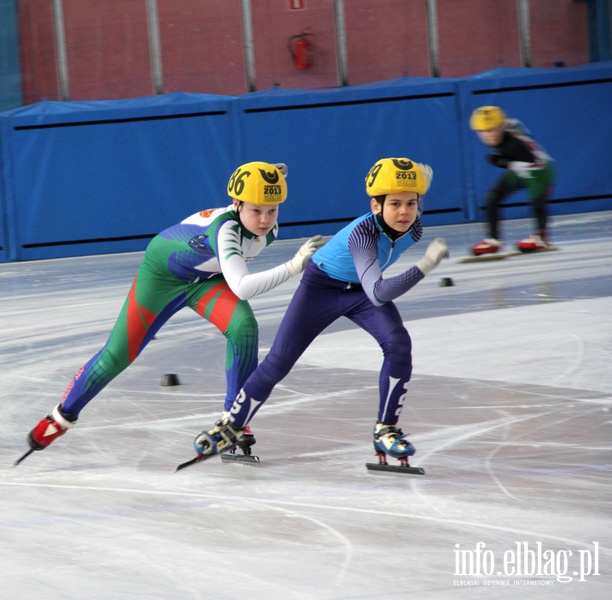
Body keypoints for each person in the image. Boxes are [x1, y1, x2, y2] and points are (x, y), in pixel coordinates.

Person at [21, 161, 324, 461]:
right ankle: (59, 419)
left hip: (206, 279)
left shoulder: (267, 228)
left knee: (244, 326)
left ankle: (235, 420)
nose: (264, 220)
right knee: (117, 355)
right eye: (256, 210)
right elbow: (243, 286)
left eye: (272, 210)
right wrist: (293, 266)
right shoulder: (226, 231)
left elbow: (236, 276)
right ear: (236, 204)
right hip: (162, 275)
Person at [191, 158, 449, 464]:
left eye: (411, 203)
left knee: (398, 344)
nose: (404, 212)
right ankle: (231, 426)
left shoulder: (414, 227)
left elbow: (372, 290)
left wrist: (418, 183)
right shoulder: (363, 234)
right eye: (395, 203)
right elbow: (379, 293)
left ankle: (386, 429)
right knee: (279, 361)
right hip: (322, 288)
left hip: (360, 292)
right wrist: (425, 266)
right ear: (376, 206)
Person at [468, 106, 556, 255]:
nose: (487, 135)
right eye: (482, 131)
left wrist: (501, 161)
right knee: (492, 198)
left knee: (537, 204)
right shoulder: (505, 126)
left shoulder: (513, 145)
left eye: (491, 130)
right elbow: (513, 122)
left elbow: (525, 158)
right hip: (518, 168)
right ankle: (493, 240)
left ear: (501, 126)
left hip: (540, 171)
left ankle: (541, 237)